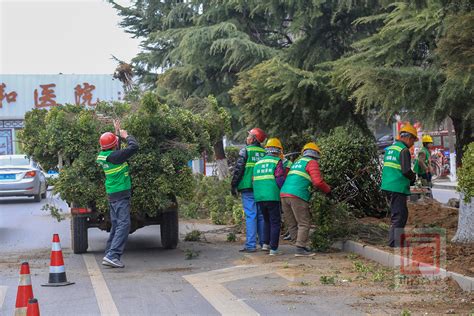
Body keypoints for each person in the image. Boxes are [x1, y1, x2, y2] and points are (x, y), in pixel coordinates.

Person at [96, 120, 139, 268]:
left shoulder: (104, 155)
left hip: (112, 194)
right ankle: (113, 255)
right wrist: (126, 136)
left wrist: (116, 132)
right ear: (113, 145)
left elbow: (117, 152)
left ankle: (109, 253)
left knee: (116, 224)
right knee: (124, 224)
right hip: (120, 193)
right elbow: (134, 147)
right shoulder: (115, 156)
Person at [280, 142, 331, 256]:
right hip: (297, 195)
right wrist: (328, 190)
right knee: (304, 223)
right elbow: (318, 182)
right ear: (316, 154)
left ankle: (298, 245)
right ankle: (300, 248)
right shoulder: (311, 163)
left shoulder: (297, 162)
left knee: (292, 223)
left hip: (284, 194)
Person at [381, 123, 417, 248]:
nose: (413, 144)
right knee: (400, 215)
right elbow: (406, 170)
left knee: (399, 213)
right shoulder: (403, 150)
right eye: (413, 140)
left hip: (387, 185)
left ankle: (396, 240)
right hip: (397, 187)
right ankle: (395, 242)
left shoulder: (391, 148)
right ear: (408, 138)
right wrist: (414, 177)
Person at [231, 128, 267, 253]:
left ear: (253, 139)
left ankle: (251, 245)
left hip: (248, 187)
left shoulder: (245, 150)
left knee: (251, 215)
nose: (247, 138)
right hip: (262, 187)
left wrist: (233, 185)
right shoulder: (264, 152)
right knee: (261, 216)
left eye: (249, 136)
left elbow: (238, 170)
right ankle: (263, 244)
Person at [253, 138, 286, 256]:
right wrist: (285, 189)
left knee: (266, 220)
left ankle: (265, 244)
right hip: (272, 195)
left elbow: (254, 180)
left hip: (259, 196)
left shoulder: (258, 163)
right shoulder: (277, 161)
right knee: (275, 222)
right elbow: (280, 179)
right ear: (278, 150)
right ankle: (274, 249)